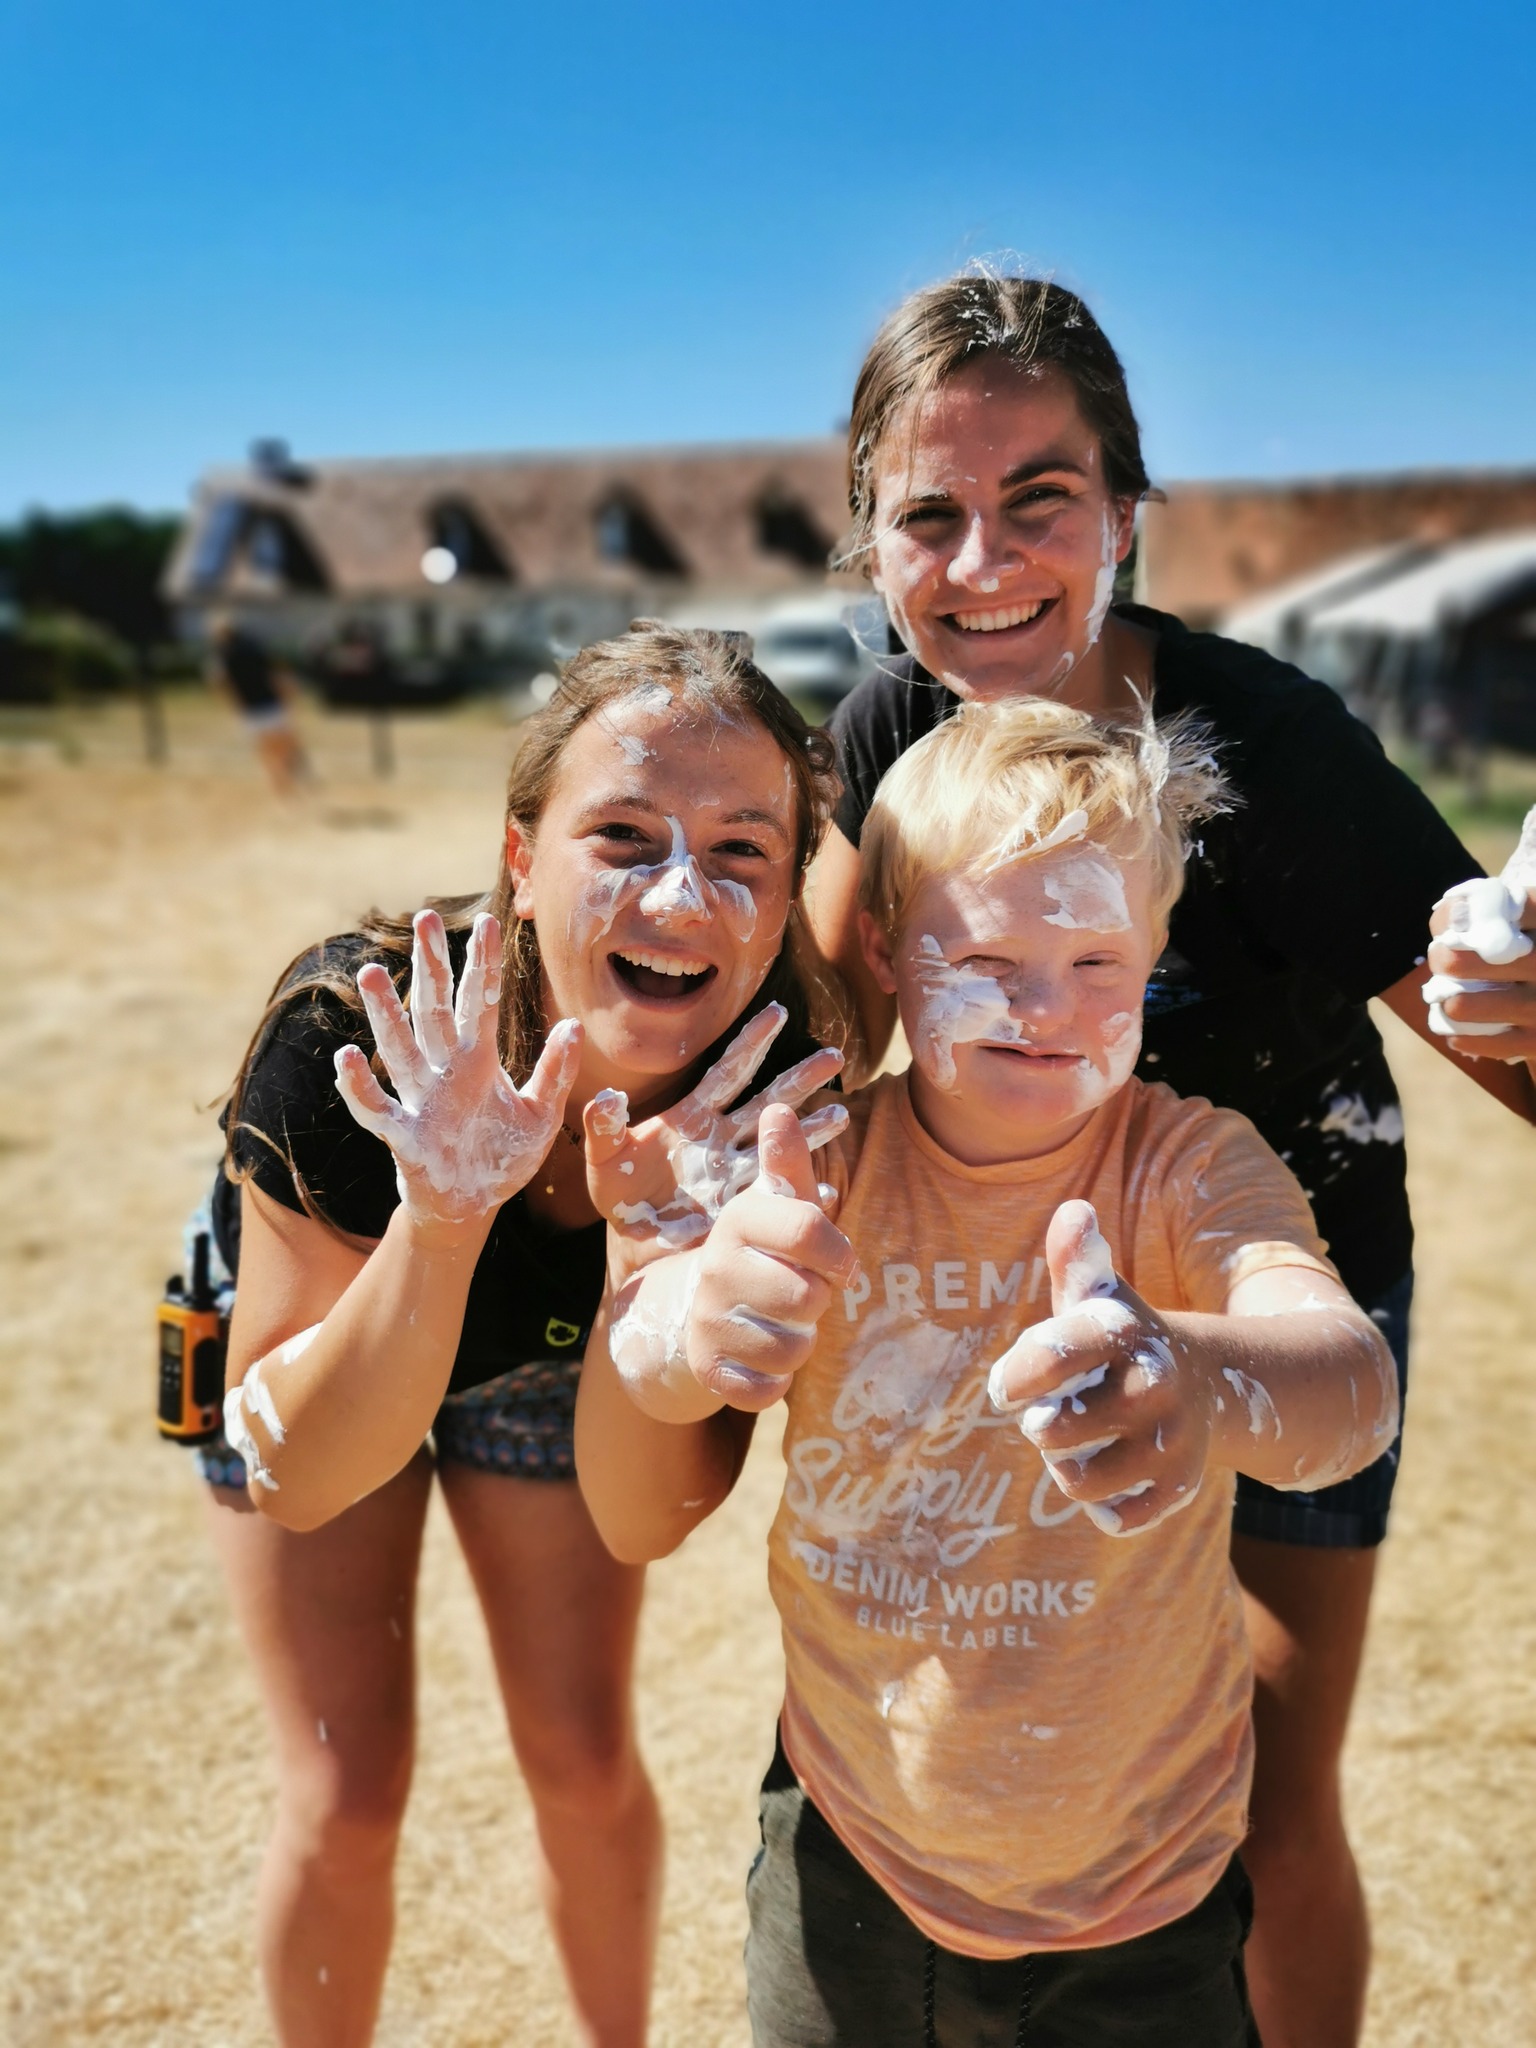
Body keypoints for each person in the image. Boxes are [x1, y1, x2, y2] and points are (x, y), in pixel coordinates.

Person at [794, 267, 1536, 2048]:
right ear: (870, 548)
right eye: (929, 517)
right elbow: (812, 1049)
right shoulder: (892, 732)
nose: (983, 564)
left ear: (1126, 511)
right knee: (1031, 1744)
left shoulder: (1259, 749)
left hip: (1280, 1289)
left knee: (1266, 1797)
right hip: (1023, 1313)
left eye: (1039, 500)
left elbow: (1500, 1041)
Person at [577, 697, 1403, 2045]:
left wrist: (1197, 1376)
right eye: (997, 955)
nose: (1048, 1006)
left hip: (1151, 1886)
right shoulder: (820, 1160)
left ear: (1156, 953)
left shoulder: (1191, 1166)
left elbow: (1350, 1391)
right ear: (895, 951)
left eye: (1096, 958)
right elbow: (662, 1352)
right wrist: (693, 1319)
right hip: (852, 1859)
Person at [196, 622, 847, 2047]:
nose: (683, 892)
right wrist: (441, 1212)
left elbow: (643, 1515)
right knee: (345, 1781)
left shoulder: (771, 1096)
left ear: (793, 885)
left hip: (563, 1352)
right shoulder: (351, 1039)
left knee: (579, 1755)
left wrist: (652, 1251)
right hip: (342, 1315)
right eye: (622, 834)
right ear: (520, 854)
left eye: (743, 850)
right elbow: (295, 1472)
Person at [208, 613, 313, 795]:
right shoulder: (254, 648)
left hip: (250, 708)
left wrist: (231, 702)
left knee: (267, 749)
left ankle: (281, 783)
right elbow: (277, 675)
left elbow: (218, 681)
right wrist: (289, 695)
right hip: (270, 703)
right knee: (285, 743)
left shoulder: (222, 656)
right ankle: (289, 773)